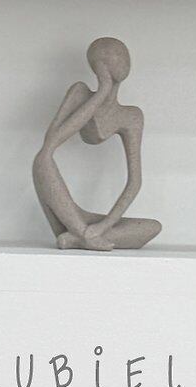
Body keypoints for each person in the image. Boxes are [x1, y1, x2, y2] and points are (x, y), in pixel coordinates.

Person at [31, 37, 162, 251]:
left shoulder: (131, 116)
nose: (121, 60)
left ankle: (77, 237)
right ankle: (81, 234)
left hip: (89, 223)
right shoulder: (80, 93)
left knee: (153, 227)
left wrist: (103, 226)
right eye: (110, 56)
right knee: (42, 159)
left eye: (123, 55)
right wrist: (102, 91)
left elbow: (135, 182)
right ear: (97, 66)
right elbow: (51, 143)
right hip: (65, 212)